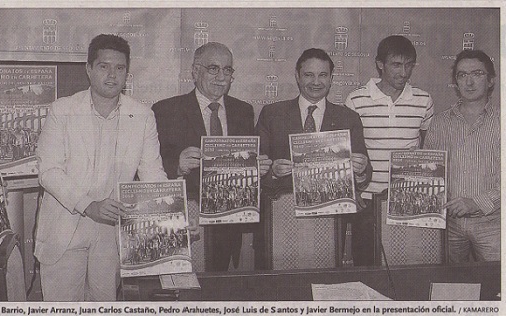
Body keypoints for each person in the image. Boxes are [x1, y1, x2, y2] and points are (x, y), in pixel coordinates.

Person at [34, 34, 169, 301]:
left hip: (111, 235)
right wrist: (88, 205)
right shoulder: (62, 110)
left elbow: (153, 174)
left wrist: (173, 218)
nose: (112, 75)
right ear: (89, 69)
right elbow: (48, 170)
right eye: (104, 66)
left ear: (127, 73)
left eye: (120, 68)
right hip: (64, 229)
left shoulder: (142, 116)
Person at [152, 42, 271, 272]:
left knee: (217, 289)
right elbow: (147, 167)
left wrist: (258, 167)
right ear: (196, 71)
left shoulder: (243, 110)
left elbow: (246, 161)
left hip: (228, 223)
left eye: (227, 70)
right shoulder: (166, 110)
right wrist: (177, 166)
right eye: (213, 68)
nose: (221, 77)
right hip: (184, 220)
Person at [256, 48, 372, 264]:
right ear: (297, 77)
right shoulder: (272, 114)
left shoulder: (348, 118)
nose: (316, 81)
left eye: (323, 75)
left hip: (330, 220)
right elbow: (256, 166)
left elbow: (366, 170)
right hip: (282, 217)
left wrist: (361, 169)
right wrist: (272, 170)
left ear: (331, 79)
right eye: (309, 75)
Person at [344, 35, 433, 266]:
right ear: (380, 64)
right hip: (367, 201)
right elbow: (347, 154)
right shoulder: (356, 99)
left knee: (407, 265)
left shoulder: (424, 100)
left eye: (409, 64)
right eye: (396, 64)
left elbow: (429, 148)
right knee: (365, 265)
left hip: (409, 199)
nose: (404, 72)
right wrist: (353, 191)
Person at [424, 50, 499, 263]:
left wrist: (477, 202)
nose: (469, 81)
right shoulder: (439, 122)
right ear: (455, 82)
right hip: (448, 226)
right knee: (450, 287)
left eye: (477, 73)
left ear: (491, 80)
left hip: (492, 225)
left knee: (495, 287)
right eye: (462, 75)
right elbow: (429, 172)